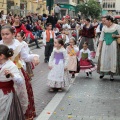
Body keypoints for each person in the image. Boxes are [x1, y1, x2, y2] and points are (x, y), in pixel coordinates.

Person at [0, 25, 40, 120]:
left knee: (19, 94)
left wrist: (34, 57)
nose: (4, 36)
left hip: (16, 70)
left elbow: (26, 57)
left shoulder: (19, 45)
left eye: (7, 34)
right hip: (2, 72)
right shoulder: (0, 43)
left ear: (13, 34)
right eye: (2, 34)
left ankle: (18, 113)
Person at [0, 44, 25, 120]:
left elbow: (20, 82)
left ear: (1, 56)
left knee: (7, 112)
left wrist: (12, 75)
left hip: (7, 94)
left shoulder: (11, 66)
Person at [97, 15, 120, 81]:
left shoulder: (117, 26)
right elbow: (101, 38)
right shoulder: (104, 27)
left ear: (109, 21)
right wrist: (99, 47)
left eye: (105, 21)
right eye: (103, 21)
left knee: (113, 59)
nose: (103, 22)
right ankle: (102, 72)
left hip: (114, 44)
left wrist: (116, 35)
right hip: (105, 44)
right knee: (104, 58)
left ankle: (112, 74)